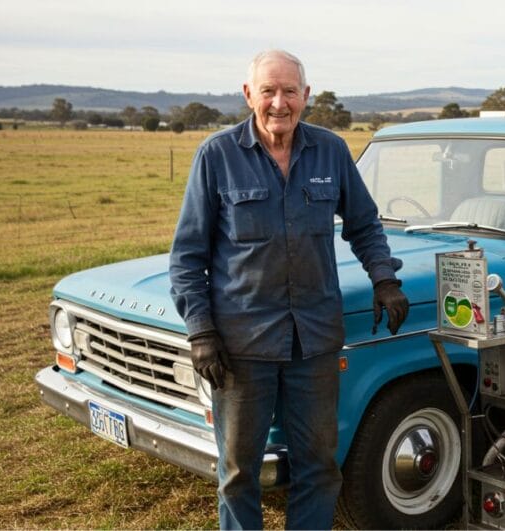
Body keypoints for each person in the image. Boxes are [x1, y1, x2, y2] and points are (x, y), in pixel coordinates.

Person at [169, 49, 409, 530]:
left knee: (319, 465)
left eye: (290, 91)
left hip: (315, 341)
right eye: (268, 91)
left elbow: (364, 224)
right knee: (239, 472)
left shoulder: (331, 151)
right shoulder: (217, 156)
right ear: (248, 94)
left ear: (306, 95)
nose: (279, 103)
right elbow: (188, 256)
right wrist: (201, 332)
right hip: (242, 345)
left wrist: (384, 278)